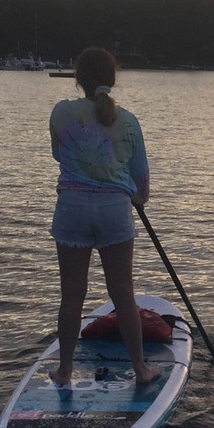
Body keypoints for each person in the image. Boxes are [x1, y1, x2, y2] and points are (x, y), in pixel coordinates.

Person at [47, 46, 161, 386]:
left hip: (72, 208)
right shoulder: (128, 121)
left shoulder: (61, 113)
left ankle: (65, 371)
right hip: (114, 210)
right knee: (123, 292)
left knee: (71, 293)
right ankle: (141, 369)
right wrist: (138, 198)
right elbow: (141, 180)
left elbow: (58, 154)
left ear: (78, 79)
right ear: (112, 80)